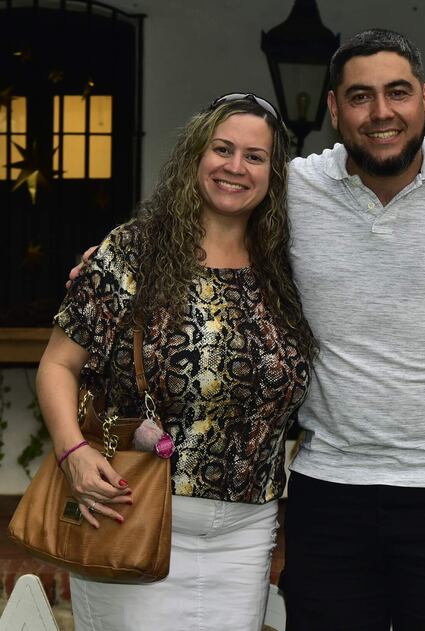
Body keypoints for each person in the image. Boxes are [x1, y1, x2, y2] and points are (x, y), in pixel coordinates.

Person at [38, 93, 314, 630]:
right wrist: (72, 450)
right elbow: (58, 365)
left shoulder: (286, 270)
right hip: (130, 513)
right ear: (195, 156)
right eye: (222, 149)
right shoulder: (132, 251)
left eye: (255, 157)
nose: (236, 167)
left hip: (245, 527)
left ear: (274, 174)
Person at [279, 29, 425, 630]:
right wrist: (118, 260)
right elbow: (198, 215)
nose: (381, 113)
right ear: (333, 109)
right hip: (328, 485)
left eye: (398, 92)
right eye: (360, 96)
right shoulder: (291, 188)